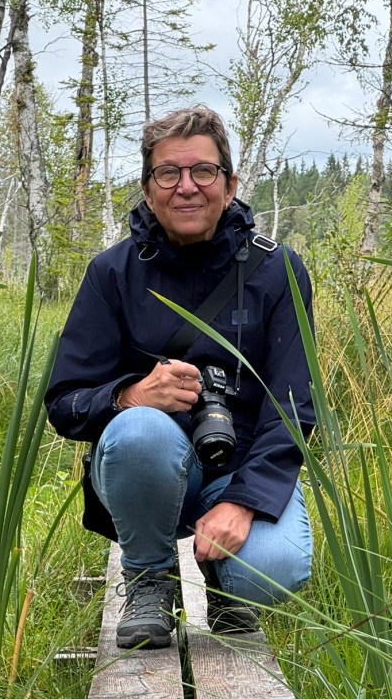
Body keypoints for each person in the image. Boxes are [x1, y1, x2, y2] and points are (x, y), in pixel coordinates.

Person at [44, 105, 315, 649]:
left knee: (276, 565)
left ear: (229, 184)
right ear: (149, 190)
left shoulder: (277, 271)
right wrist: (130, 396)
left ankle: (226, 583)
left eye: (203, 171)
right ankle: (150, 576)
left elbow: (292, 408)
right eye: (168, 173)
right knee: (141, 431)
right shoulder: (112, 273)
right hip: (145, 467)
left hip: (240, 468)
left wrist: (244, 502)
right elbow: (65, 402)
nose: (186, 187)